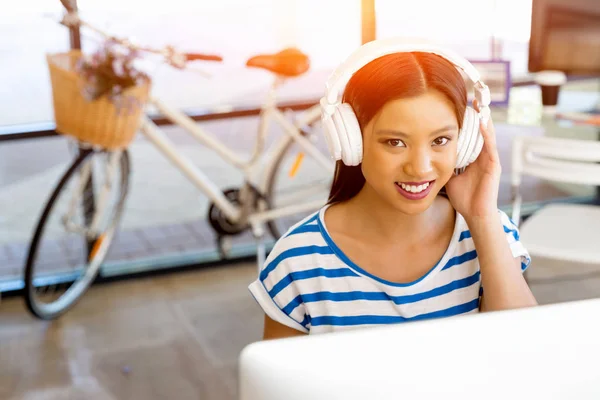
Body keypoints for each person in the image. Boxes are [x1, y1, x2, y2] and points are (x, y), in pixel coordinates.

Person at [248, 40, 538, 340]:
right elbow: (280, 385)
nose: (421, 168)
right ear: (352, 142)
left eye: (440, 141)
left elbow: (523, 350)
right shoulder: (298, 260)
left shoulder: (491, 233)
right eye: (395, 142)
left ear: (465, 144)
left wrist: (481, 217)